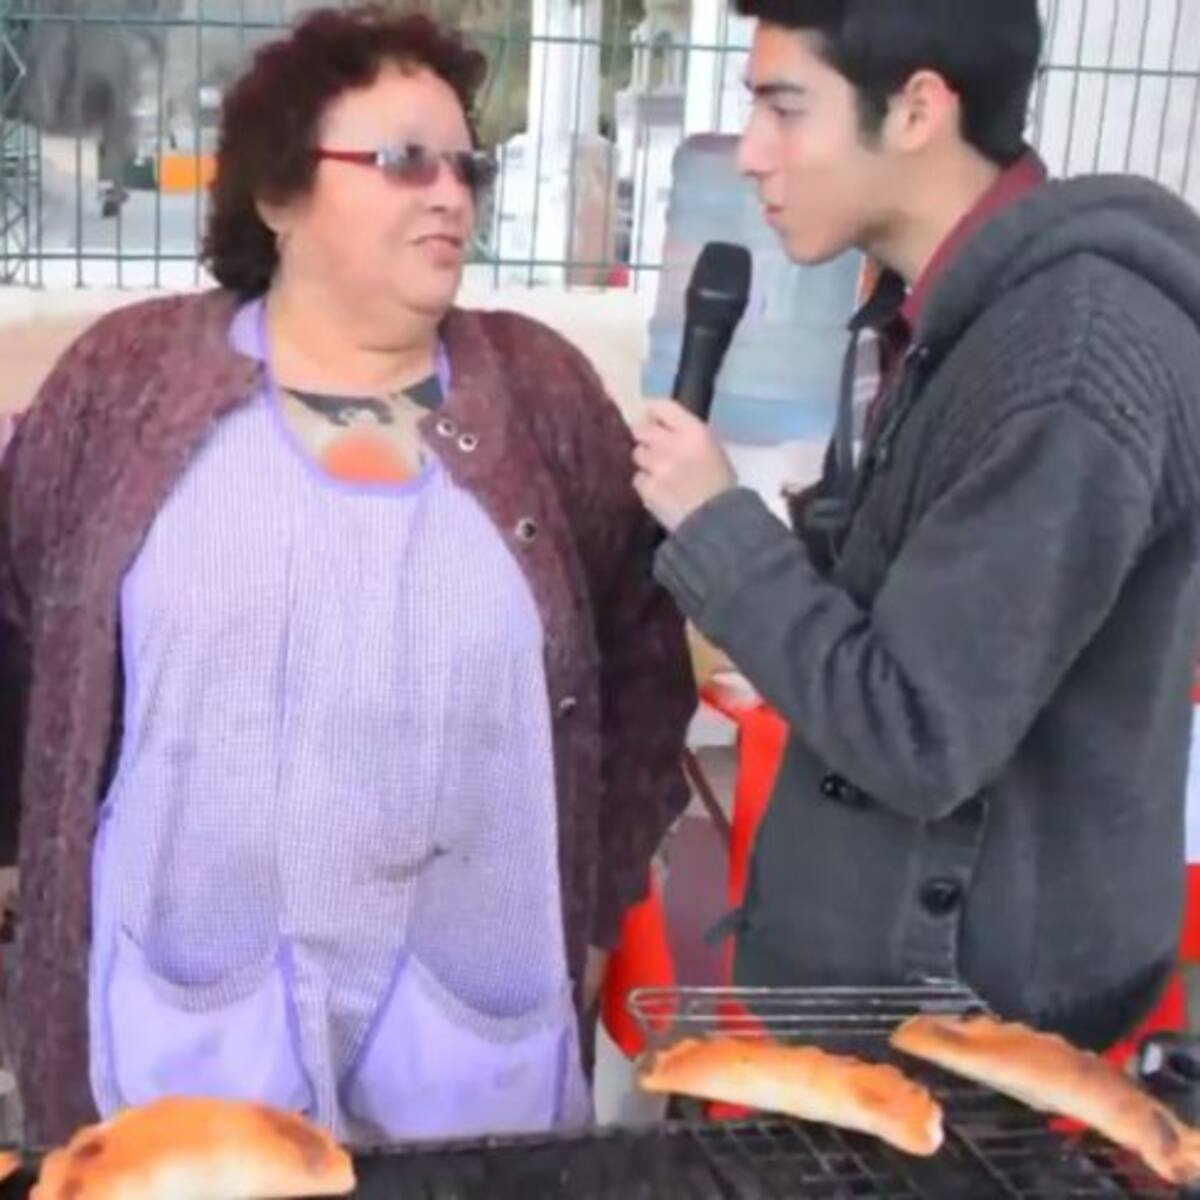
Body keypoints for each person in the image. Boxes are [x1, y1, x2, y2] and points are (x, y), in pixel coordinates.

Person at [0, 4, 694, 1147]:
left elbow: (642, 656)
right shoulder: (125, 379)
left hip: (469, 1004)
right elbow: (20, 620)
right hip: (183, 1003)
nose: (451, 194)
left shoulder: (543, 391)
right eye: (405, 159)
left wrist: (600, 903)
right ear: (278, 193)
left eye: (466, 166)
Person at [633, 0, 1200, 1050]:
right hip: (892, 997)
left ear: (917, 109)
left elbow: (918, 734)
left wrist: (718, 526)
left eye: (785, 108)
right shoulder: (937, 314)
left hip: (970, 1037)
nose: (751, 153)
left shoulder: (1066, 365)